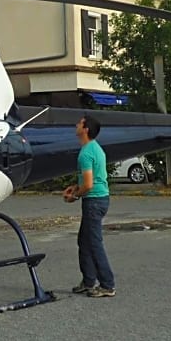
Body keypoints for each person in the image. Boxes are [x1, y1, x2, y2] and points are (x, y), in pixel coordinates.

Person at [62, 115, 115, 297]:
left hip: (93, 201)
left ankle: (107, 285)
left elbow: (89, 185)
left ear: (85, 129)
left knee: (94, 243)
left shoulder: (86, 153)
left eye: (79, 123)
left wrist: (74, 195)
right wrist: (76, 187)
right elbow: (91, 179)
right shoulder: (94, 148)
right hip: (100, 198)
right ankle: (88, 281)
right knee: (84, 241)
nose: (76, 125)